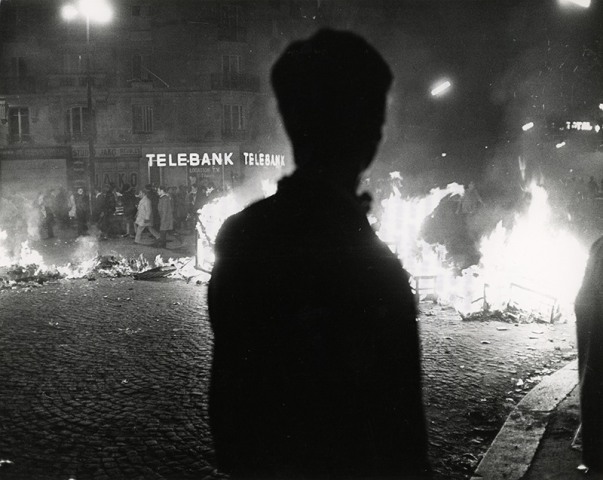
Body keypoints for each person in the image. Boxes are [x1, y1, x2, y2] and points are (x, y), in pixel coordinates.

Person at [208, 29, 431, 479]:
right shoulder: (370, 266)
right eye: (374, 113)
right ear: (366, 130)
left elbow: (230, 411)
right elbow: (397, 437)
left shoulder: (243, 235)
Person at [575, 236, 603, 475]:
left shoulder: (599, 244)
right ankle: (594, 456)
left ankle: (593, 455)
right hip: (596, 320)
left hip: (592, 318)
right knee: (594, 385)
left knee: (592, 383)